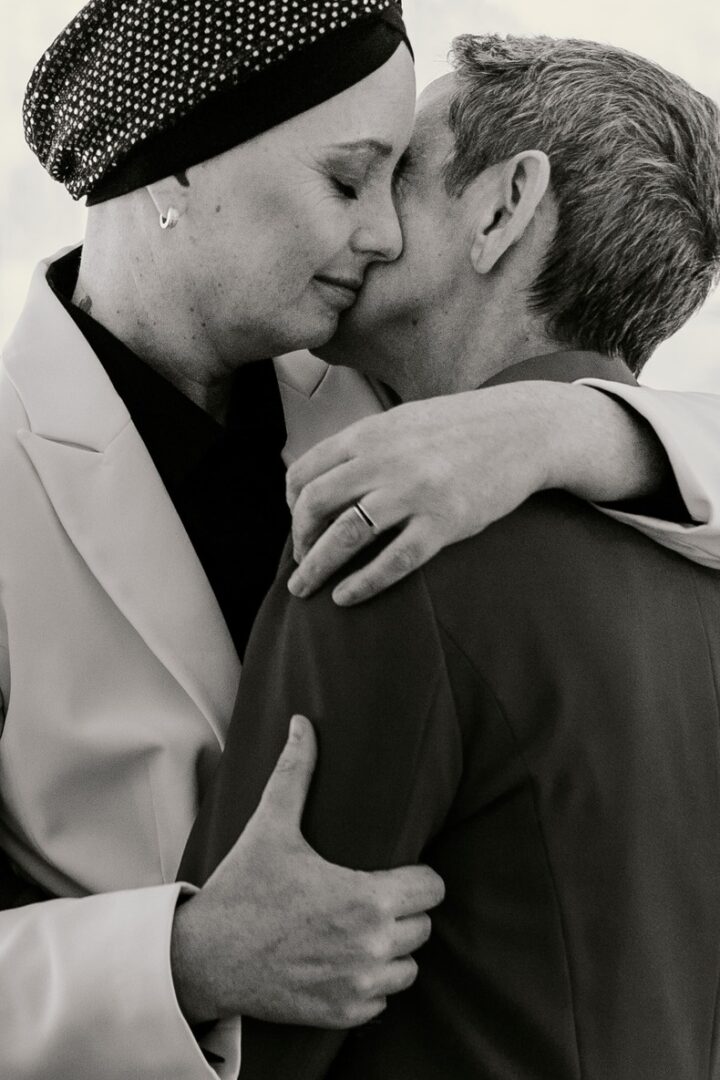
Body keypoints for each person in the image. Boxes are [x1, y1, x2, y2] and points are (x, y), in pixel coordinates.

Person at [1, 2, 719, 1076]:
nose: (380, 232)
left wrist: (568, 423)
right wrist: (182, 963)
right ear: (178, 165)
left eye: (397, 183)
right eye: (347, 180)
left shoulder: (399, 385)